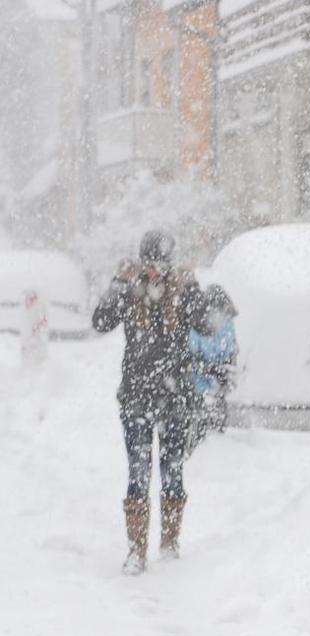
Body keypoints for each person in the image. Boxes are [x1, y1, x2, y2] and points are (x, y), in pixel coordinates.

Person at [92, 230, 208, 574]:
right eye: (150, 264)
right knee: (138, 473)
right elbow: (100, 322)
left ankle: (170, 543)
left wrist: (193, 286)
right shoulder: (129, 291)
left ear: (170, 264)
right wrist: (117, 282)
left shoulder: (182, 293)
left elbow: (206, 324)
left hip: (174, 400)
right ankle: (136, 551)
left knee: (172, 471)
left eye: (162, 264)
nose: (155, 271)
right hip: (137, 399)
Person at [187, 284, 238, 450]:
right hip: (198, 387)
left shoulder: (227, 325)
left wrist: (226, 370)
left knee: (218, 432)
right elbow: (190, 357)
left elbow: (231, 351)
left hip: (218, 387)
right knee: (199, 429)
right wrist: (208, 369)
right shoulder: (196, 327)